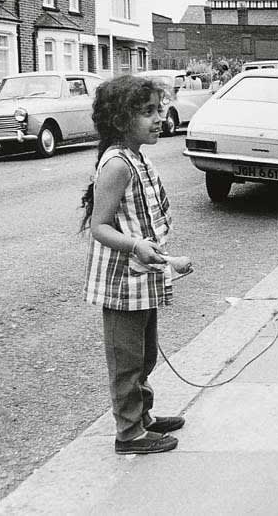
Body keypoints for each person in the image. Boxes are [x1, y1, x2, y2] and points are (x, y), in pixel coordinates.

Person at [79, 74, 193, 454]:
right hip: (121, 281)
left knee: (144, 353)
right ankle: (129, 433)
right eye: (147, 113)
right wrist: (135, 246)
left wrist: (157, 254)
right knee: (126, 360)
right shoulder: (117, 165)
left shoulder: (136, 157)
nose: (158, 119)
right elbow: (99, 227)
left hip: (141, 276)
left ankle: (141, 415)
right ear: (119, 119)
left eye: (158, 110)